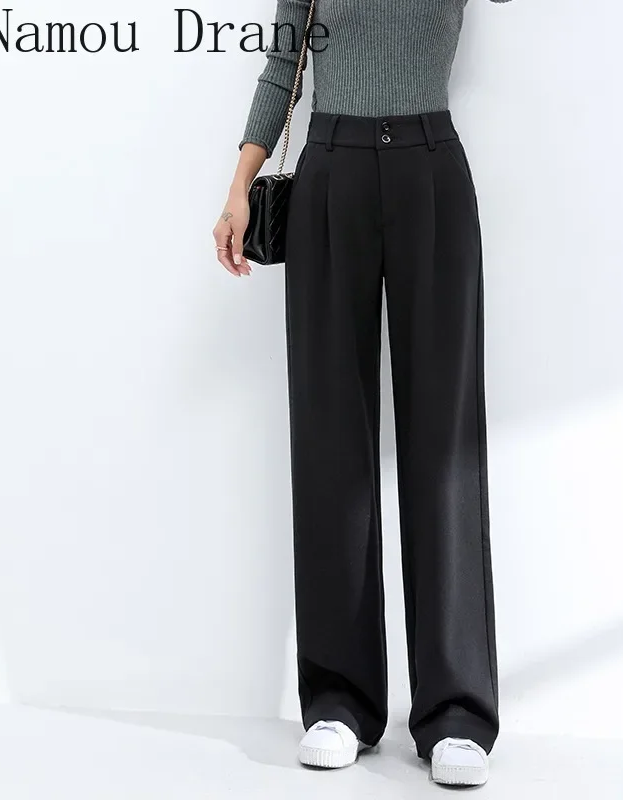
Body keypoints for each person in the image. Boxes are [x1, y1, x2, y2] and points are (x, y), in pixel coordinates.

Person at [213, 0, 511, 787]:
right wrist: (240, 185)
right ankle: (338, 701)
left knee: (445, 445)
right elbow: (284, 63)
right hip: (329, 169)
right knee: (329, 437)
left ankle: (456, 712)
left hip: (431, 166)